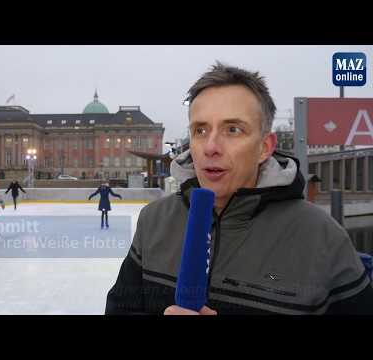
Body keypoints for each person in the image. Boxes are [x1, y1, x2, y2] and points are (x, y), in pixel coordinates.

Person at [105, 62, 373, 315]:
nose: (210, 146)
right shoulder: (154, 221)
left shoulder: (323, 239)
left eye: (232, 129)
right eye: (200, 130)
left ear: (264, 147)